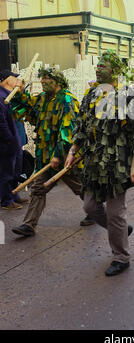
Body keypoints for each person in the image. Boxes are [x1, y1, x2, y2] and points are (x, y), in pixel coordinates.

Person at [65, 51, 134, 276]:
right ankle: (121, 229)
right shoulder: (90, 95)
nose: (98, 68)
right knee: (90, 207)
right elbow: (82, 127)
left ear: (114, 71)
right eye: (98, 65)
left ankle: (121, 257)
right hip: (95, 165)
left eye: (103, 65)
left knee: (115, 213)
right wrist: (73, 150)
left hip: (118, 165)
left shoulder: (128, 96)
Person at [11, 67, 94, 238]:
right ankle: (29, 225)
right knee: (38, 188)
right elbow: (29, 108)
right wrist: (19, 92)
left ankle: (95, 210)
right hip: (45, 155)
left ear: (57, 81)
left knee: (79, 187)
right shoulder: (42, 99)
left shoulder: (67, 100)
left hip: (64, 156)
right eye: (42, 78)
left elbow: (69, 131)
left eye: (46, 78)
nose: (42, 81)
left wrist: (58, 154)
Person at [0, 70, 26, 210]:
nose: (17, 80)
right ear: (6, 80)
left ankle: (14, 195)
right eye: (14, 78)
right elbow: (1, 123)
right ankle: (6, 200)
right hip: (7, 142)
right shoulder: (1, 97)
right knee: (6, 171)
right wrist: (9, 139)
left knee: (15, 169)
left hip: (14, 140)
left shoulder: (10, 95)